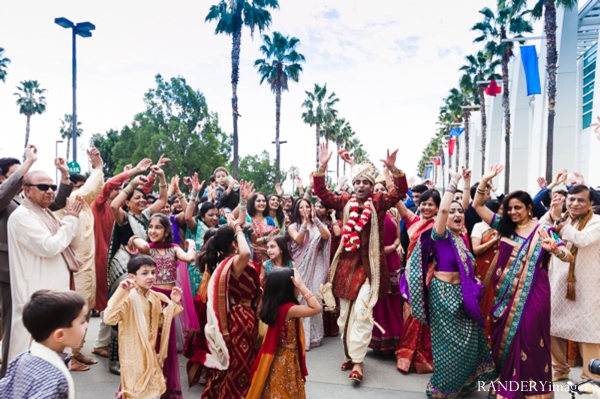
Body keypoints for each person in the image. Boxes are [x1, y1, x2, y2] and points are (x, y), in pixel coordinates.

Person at [473, 164, 574, 399]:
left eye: (518, 207)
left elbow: (568, 256)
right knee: (505, 338)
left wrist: (555, 250)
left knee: (530, 337)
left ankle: (534, 391)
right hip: (505, 296)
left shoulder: (544, 230)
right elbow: (477, 206)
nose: (513, 212)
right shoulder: (504, 228)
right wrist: (485, 180)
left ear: (530, 208)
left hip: (535, 294)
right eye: (509, 208)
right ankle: (508, 384)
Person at [313, 142, 408, 382]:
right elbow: (322, 193)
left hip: (371, 269)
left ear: (370, 185)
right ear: (353, 185)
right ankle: (349, 353)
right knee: (345, 316)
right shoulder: (344, 201)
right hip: (346, 268)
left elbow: (399, 192)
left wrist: (394, 170)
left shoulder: (379, 202)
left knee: (363, 313)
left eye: (366, 182)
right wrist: (322, 166)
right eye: (358, 183)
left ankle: (358, 362)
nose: (361, 186)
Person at [407, 169, 497, 398]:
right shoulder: (441, 236)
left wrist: (468, 184)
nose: (457, 214)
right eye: (451, 212)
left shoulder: (461, 238)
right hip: (443, 296)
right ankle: (443, 388)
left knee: (468, 342)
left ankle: (463, 383)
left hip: (464, 295)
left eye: (460, 212)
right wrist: (454, 181)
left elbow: (462, 205)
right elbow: (446, 209)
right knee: (449, 346)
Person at [0, 149, 74, 377]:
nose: (49, 191)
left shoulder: (37, 209)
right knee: (19, 334)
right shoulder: (13, 205)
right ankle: (11, 381)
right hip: (9, 274)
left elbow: (56, 202)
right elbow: (49, 245)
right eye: (17, 175)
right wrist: (28, 162)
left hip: (38, 279)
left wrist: (64, 178)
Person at [7, 170, 85, 363]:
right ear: (26, 190)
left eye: (53, 187)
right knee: (29, 362)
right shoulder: (22, 216)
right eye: (43, 187)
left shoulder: (45, 213)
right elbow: (50, 247)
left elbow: (72, 244)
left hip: (52, 296)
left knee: (52, 361)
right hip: (35, 298)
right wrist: (71, 219)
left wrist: (74, 216)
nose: (50, 191)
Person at [197, 181, 262, 399]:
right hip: (238, 320)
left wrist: (243, 201)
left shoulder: (226, 260)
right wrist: (237, 229)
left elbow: (239, 222)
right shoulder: (234, 263)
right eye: (239, 238)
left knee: (238, 365)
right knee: (238, 368)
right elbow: (245, 253)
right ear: (234, 244)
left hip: (243, 318)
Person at [89, 158, 153, 361]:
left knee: (116, 302)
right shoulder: (102, 206)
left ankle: (102, 343)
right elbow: (111, 189)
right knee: (115, 303)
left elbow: (144, 197)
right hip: (111, 261)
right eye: (118, 190)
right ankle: (106, 348)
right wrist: (133, 174)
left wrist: (153, 175)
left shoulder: (140, 216)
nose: (118, 191)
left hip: (120, 259)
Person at [106, 162, 167, 373]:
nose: (141, 200)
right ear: (128, 202)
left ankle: (136, 355)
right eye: (136, 198)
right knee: (123, 310)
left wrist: (161, 178)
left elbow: (163, 200)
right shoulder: (124, 217)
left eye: (143, 197)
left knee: (141, 312)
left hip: (142, 268)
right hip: (123, 267)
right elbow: (114, 206)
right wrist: (131, 183)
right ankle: (115, 360)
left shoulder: (147, 216)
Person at [128, 213, 196, 398]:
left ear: (167, 231)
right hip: (150, 300)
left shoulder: (174, 249)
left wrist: (192, 245)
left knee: (165, 341)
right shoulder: (147, 249)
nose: (152, 231)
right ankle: (145, 384)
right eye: (150, 227)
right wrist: (135, 237)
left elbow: (189, 258)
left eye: (158, 227)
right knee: (150, 341)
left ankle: (165, 385)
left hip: (168, 301)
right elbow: (142, 245)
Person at [541, 185, 600, 381]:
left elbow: (581, 239)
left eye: (581, 200)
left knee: (589, 328)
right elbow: (541, 229)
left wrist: (559, 222)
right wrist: (552, 214)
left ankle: (591, 374)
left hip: (587, 284)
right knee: (554, 324)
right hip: (558, 281)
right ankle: (559, 367)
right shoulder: (562, 219)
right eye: (572, 199)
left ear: (591, 203)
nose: (575, 203)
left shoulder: (597, 222)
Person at [104, 255, 183, 399]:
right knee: (137, 392)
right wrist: (121, 291)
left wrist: (174, 303)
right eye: (145, 273)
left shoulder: (153, 297)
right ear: (132, 277)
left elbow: (160, 321)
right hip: (133, 357)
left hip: (151, 354)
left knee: (153, 389)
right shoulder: (128, 297)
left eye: (153, 272)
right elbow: (109, 318)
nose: (151, 276)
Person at [54, 147, 105, 371]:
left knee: (86, 308)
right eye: (77, 185)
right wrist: (98, 166)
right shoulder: (68, 202)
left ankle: (77, 351)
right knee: (75, 310)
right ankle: (69, 356)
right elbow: (94, 187)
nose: (82, 189)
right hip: (73, 268)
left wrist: (97, 166)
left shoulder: (80, 203)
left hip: (87, 265)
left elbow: (93, 189)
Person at [246, 268, 321, 399]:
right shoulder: (289, 309)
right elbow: (316, 308)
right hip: (286, 359)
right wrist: (302, 286)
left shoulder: (275, 306)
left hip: (278, 357)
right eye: (296, 285)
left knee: (276, 390)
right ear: (288, 288)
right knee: (284, 392)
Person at [0, 290, 87, 399]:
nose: (86, 325)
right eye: (82, 321)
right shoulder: (54, 381)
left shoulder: (20, 358)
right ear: (60, 335)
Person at [395, 189, 440, 374]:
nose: (426, 207)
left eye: (431, 204)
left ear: (438, 208)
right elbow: (398, 201)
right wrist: (391, 172)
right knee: (411, 314)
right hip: (412, 276)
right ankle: (406, 353)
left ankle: (424, 355)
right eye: (423, 203)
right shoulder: (414, 222)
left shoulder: (439, 226)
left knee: (426, 316)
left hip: (431, 275)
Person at [287, 198, 331, 350]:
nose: (304, 209)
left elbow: (326, 236)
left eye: (307, 206)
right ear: (296, 210)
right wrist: (305, 225)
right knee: (301, 298)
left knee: (315, 296)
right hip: (301, 264)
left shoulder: (318, 224)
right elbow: (298, 241)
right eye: (301, 207)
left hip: (317, 263)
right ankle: (300, 336)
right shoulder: (293, 226)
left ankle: (314, 336)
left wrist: (315, 220)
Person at [368, 181, 403, 354]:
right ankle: (379, 343)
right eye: (376, 190)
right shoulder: (369, 214)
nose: (380, 192)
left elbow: (398, 238)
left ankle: (396, 340)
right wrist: (383, 250)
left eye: (383, 189)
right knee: (379, 302)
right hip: (376, 261)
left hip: (392, 261)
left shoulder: (393, 214)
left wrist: (393, 246)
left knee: (393, 301)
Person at [471, 199, 502, 342]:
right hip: (483, 270)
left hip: (500, 271)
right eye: (501, 209)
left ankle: (493, 340)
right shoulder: (479, 226)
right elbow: (476, 250)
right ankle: (481, 339)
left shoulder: (504, 227)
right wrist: (493, 241)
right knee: (483, 300)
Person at [186, 173, 219, 297]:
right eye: (211, 215)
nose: (215, 218)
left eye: (217, 215)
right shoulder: (197, 227)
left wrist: (242, 200)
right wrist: (194, 192)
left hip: (214, 270)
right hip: (197, 272)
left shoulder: (219, 230)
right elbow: (188, 217)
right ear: (202, 216)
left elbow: (240, 222)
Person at [315, 199, 342, 337]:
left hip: (333, 259)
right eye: (316, 206)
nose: (317, 208)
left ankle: (332, 327)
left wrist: (333, 217)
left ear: (327, 209)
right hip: (319, 260)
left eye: (321, 207)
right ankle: (321, 327)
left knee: (330, 290)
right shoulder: (314, 224)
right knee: (320, 290)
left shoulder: (333, 223)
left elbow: (338, 234)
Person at [246, 192, 279, 264]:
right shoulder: (248, 220)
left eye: (264, 201)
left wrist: (274, 235)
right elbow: (252, 241)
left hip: (268, 255)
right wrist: (267, 238)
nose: (262, 203)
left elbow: (275, 239)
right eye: (258, 201)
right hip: (252, 256)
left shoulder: (269, 220)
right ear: (252, 203)